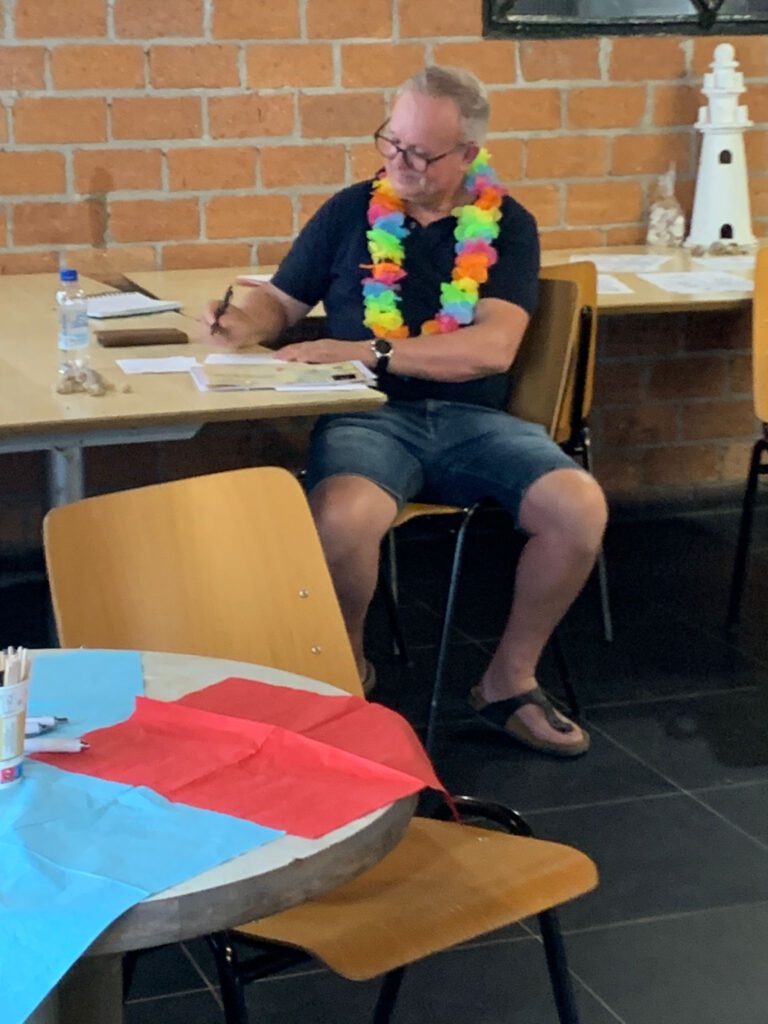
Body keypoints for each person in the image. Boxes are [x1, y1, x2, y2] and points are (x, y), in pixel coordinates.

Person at [202, 66, 607, 758]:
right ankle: (345, 678)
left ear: (468, 154)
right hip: (367, 415)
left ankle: (508, 682)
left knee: (579, 507)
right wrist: (244, 322)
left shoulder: (505, 224)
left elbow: (493, 348)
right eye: (391, 142)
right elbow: (283, 300)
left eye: (421, 153)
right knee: (342, 518)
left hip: (476, 420)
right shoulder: (351, 211)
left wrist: (372, 350)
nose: (400, 162)